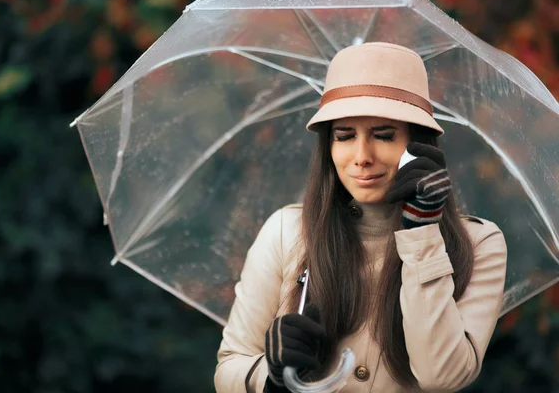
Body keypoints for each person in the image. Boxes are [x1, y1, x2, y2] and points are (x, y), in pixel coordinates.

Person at [214, 42, 507, 392]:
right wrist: (273, 376)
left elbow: (441, 377)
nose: (361, 156)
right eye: (345, 136)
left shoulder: (479, 243)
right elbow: (229, 367)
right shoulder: (287, 231)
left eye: (383, 135)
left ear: (419, 145)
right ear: (329, 146)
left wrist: (422, 233)